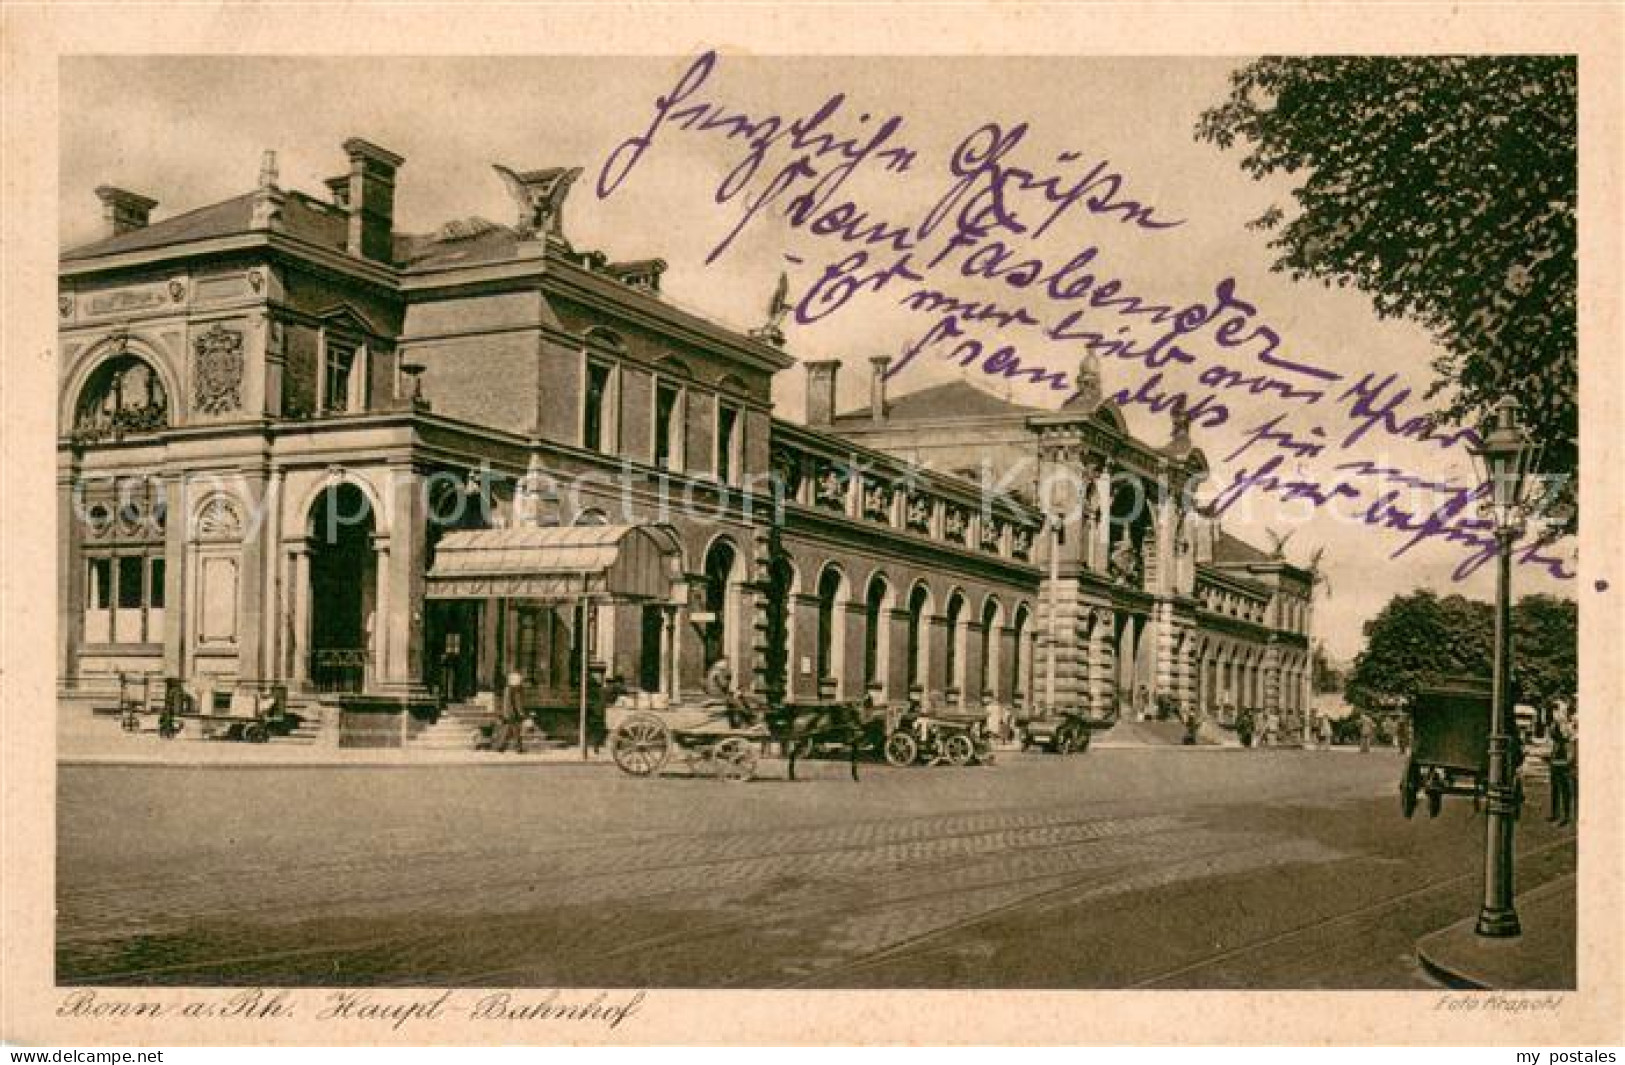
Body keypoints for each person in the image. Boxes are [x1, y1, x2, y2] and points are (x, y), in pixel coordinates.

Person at [1546, 706, 1574, 826]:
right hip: (1556, 762)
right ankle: (1556, 813)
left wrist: (1568, 761)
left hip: (1562, 763)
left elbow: (1568, 745)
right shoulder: (1557, 738)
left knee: (1563, 789)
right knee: (1556, 789)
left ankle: (1565, 816)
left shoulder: (1565, 730)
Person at [492, 671, 527, 754]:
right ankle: (517, 748)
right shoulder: (514, 690)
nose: (520, 682)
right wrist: (521, 712)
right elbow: (516, 703)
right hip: (512, 714)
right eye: (519, 680)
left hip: (508, 713)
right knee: (515, 731)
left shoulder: (508, 689)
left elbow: (507, 703)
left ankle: (501, 747)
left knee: (507, 731)